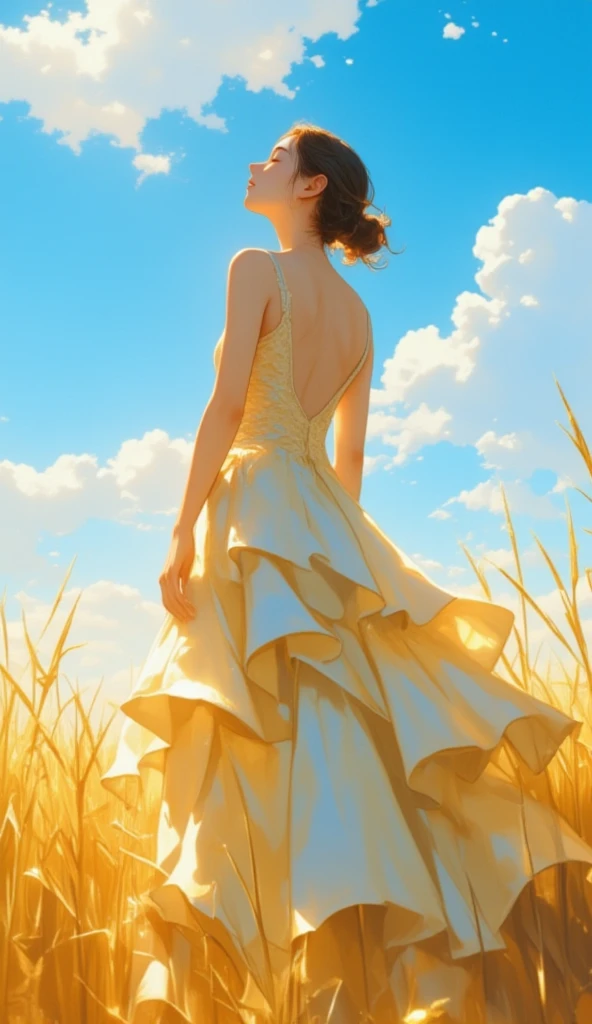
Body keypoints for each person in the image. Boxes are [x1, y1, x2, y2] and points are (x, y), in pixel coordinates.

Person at [101, 122, 592, 1024]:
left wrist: (179, 530)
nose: (256, 165)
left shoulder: (256, 267)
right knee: (344, 735)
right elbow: (352, 457)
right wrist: (343, 548)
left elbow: (226, 404)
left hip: (254, 502)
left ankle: (265, 953)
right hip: (325, 515)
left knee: (251, 727)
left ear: (309, 187)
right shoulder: (361, 316)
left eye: (274, 157)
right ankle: (354, 942)